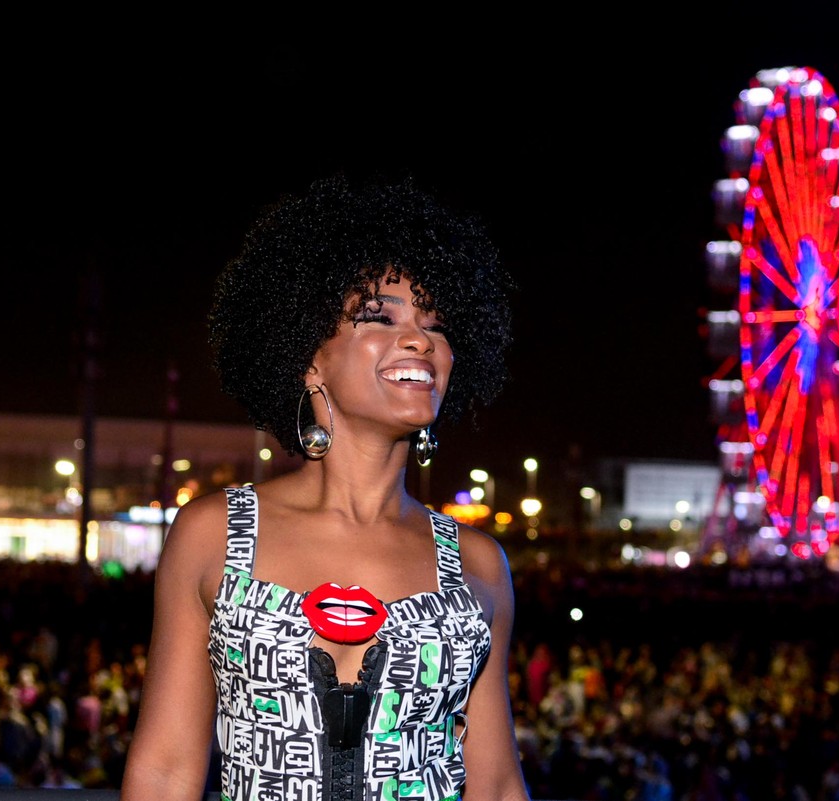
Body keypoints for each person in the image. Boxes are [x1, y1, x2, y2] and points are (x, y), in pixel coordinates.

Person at [120, 172, 531, 801]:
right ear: (310, 359)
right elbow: (167, 769)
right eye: (377, 316)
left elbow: (497, 784)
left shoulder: (477, 563)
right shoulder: (216, 535)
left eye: (437, 324)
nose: (419, 339)